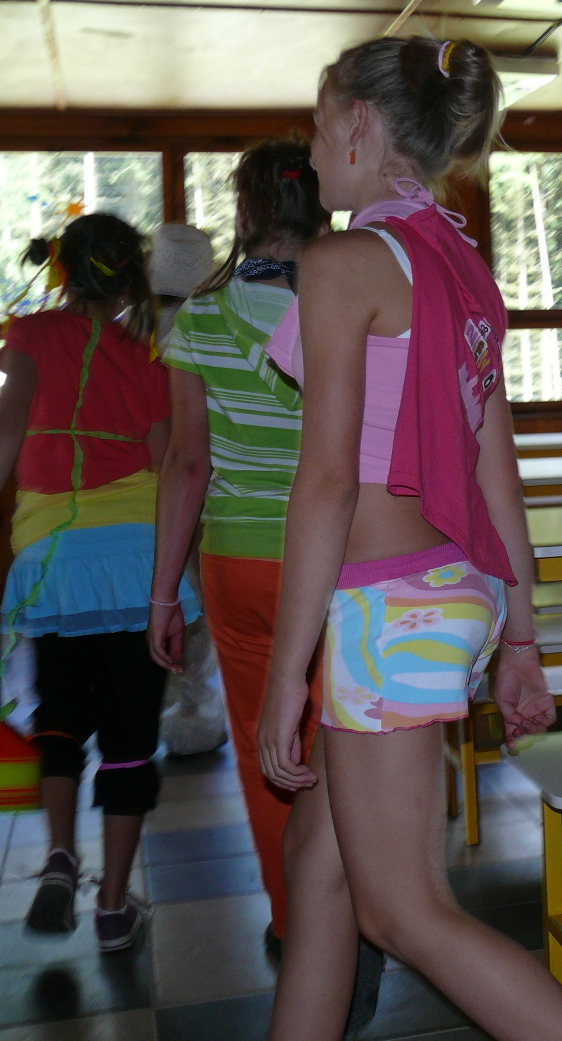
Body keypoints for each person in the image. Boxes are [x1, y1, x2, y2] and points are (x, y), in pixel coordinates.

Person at [255, 36, 562, 1041]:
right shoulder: (455, 260)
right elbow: (498, 468)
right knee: (319, 862)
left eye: (318, 129)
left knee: (403, 911)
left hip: (385, 605)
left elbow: (327, 482)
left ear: (360, 126)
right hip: (455, 588)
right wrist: (521, 636)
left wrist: (287, 673)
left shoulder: (344, 263)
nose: (310, 154)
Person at [0, 213, 200, 951]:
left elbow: (5, 433)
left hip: (52, 561)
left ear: (62, 270)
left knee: (58, 714)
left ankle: (61, 856)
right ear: (131, 280)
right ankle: (114, 907)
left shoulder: (29, 335)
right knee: (130, 734)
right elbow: (168, 461)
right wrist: (180, 571)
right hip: (136, 560)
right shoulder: (150, 351)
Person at [150, 139, 330, 953]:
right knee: (338, 745)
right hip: (332, 558)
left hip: (235, 563)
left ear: (246, 209)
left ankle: (294, 923)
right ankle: (350, 920)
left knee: (268, 748)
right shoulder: (344, 301)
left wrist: (164, 593)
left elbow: (187, 463)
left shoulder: (201, 315)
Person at [147, 221, 229, 760]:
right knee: (200, 599)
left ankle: (177, 708)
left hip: (159, 483)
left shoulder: (137, 334)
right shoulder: (217, 321)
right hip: (217, 479)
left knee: (172, 593)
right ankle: (197, 709)